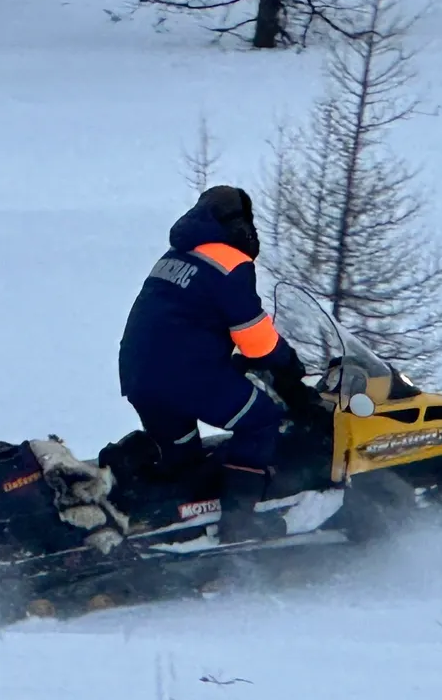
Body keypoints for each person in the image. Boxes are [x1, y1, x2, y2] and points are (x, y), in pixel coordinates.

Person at [118, 185, 313, 542]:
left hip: (139, 376)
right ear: (239, 224)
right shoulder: (229, 262)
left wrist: (233, 361)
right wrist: (288, 366)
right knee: (261, 419)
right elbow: (255, 335)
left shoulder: (175, 257)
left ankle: (178, 529)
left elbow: (185, 322)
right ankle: (239, 523)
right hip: (186, 376)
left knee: (184, 459)